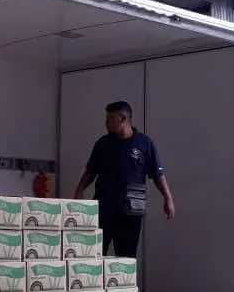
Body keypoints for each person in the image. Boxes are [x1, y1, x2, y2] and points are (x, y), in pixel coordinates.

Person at [72, 101, 175, 258]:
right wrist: (79, 190)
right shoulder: (103, 144)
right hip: (105, 207)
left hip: (131, 210)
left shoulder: (144, 144)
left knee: (127, 256)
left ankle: (124, 282)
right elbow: (91, 171)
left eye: (109, 118)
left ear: (122, 118)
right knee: (95, 253)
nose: (106, 123)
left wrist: (168, 198)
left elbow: (157, 174)